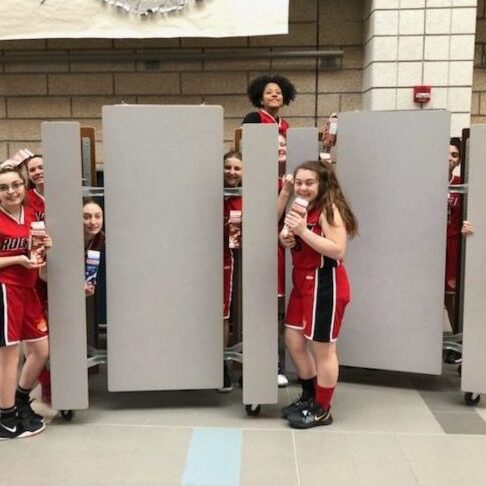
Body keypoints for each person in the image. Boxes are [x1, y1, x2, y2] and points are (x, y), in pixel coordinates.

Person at [279, 160, 357, 428]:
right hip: (302, 282)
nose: (303, 187)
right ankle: (310, 397)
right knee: (293, 339)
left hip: (326, 283)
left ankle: (323, 409)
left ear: (322, 183)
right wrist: (288, 239)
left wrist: (301, 232)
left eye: (309, 183)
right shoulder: (302, 207)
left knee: (323, 349)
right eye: (299, 182)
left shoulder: (330, 209)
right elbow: (298, 238)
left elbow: (337, 250)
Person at [0, 165, 51, 440]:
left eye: (16, 185)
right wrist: (18, 259)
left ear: (24, 186)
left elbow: (33, 248)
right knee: (8, 357)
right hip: (5, 290)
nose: (11, 191)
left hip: (29, 289)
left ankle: (20, 401)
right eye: (4, 187)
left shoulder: (30, 214)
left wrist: (44, 247)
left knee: (41, 350)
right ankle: (5, 418)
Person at [220, 151, 243, 393]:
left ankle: (220, 366)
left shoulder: (242, 199)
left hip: (224, 259)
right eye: (228, 167)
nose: (232, 172)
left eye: (237, 168)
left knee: (222, 315)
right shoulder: (209, 193)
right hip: (194, 258)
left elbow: (237, 241)